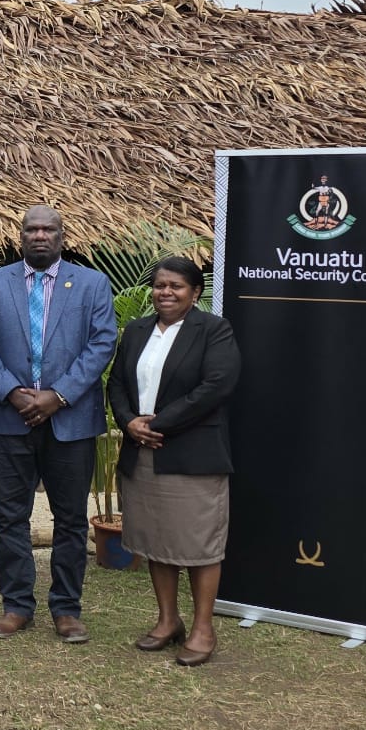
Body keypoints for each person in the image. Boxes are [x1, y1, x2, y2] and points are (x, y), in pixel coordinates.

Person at [0, 205, 116, 643]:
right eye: (32, 229)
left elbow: (102, 342)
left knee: (70, 519)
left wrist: (58, 395)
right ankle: (16, 606)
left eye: (49, 229)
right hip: (9, 418)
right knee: (10, 517)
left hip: (71, 420)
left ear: (62, 236)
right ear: (20, 236)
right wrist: (12, 392)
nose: (40, 235)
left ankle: (66, 609)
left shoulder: (91, 284)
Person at [104, 255, 240, 667]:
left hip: (190, 454)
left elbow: (216, 386)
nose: (165, 292)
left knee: (199, 544)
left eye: (176, 286)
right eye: (160, 285)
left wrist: (157, 423)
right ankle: (168, 620)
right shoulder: (136, 330)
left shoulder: (213, 330)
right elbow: (116, 384)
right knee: (157, 540)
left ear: (195, 292)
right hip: (142, 453)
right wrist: (129, 422)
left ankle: (203, 629)